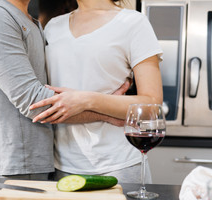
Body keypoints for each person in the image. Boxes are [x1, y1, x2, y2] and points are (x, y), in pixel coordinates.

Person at [0, 0, 130, 179]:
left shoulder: (32, 22)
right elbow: (36, 102)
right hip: (11, 166)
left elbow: (52, 83)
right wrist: (108, 112)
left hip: (42, 163)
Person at [30, 0, 163, 183]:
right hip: (59, 167)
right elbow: (39, 95)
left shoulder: (134, 23)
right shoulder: (52, 26)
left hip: (118, 167)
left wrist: (87, 99)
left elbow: (152, 106)